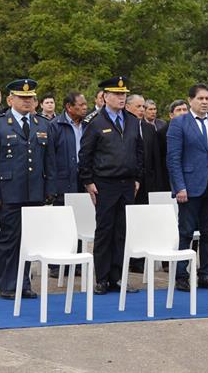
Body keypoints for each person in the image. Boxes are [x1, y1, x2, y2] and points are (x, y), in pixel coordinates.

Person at [0, 78, 57, 299]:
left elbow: (49, 160)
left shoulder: (42, 124)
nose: (27, 101)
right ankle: (8, 284)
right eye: (22, 98)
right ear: (10, 99)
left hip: (34, 191)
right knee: (10, 238)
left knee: (29, 239)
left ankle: (24, 283)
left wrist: (50, 188)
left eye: (30, 98)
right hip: (8, 192)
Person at [166, 83, 208, 291]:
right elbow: (173, 158)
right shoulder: (179, 123)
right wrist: (179, 186)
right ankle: (181, 275)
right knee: (186, 232)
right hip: (188, 186)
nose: (205, 102)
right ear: (191, 100)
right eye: (200, 99)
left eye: (207, 98)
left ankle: (206, 274)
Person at [79, 76, 143, 295]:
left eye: (124, 94)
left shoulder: (133, 120)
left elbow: (138, 151)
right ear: (105, 96)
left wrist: (137, 178)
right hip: (105, 184)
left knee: (122, 231)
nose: (121, 98)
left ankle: (118, 277)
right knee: (105, 230)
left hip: (127, 184)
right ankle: (103, 278)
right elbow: (85, 154)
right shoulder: (95, 122)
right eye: (117, 94)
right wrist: (88, 181)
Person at [125, 94, 162, 210]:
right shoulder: (122, 128)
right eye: (138, 106)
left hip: (148, 183)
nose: (142, 110)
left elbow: (156, 158)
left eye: (143, 107)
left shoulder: (149, 128)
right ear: (127, 107)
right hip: (130, 181)